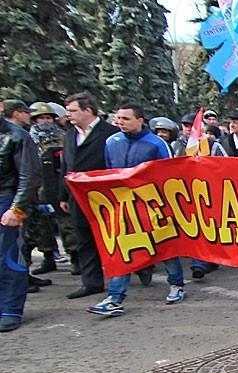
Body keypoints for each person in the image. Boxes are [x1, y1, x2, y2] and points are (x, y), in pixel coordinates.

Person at [87, 102, 186, 317]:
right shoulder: (111, 142)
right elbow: (109, 171)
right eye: (119, 118)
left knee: (165, 246)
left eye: (126, 118)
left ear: (140, 120)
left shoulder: (157, 144)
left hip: (152, 204)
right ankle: (115, 297)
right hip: (123, 205)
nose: (120, 122)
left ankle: (177, 284)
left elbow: (168, 175)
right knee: (124, 248)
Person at [61, 92, 118, 299]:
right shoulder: (69, 134)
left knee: (113, 236)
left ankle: (128, 273)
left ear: (88, 110)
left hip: (104, 195)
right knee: (84, 238)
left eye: (73, 110)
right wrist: (63, 194)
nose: (69, 115)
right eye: (67, 111)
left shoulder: (110, 133)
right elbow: (65, 166)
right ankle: (92, 282)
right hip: (76, 196)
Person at [0, 106, 41, 331]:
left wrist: (17, 209)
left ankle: (10, 309)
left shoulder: (17, 136)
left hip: (6, 199)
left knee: (8, 257)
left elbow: (30, 175)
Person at [23, 102, 73, 277]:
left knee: (67, 224)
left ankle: (76, 259)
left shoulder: (63, 137)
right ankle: (48, 257)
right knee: (40, 225)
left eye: (48, 117)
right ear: (34, 120)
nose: (45, 121)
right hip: (37, 187)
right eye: (41, 118)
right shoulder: (28, 138)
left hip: (59, 184)